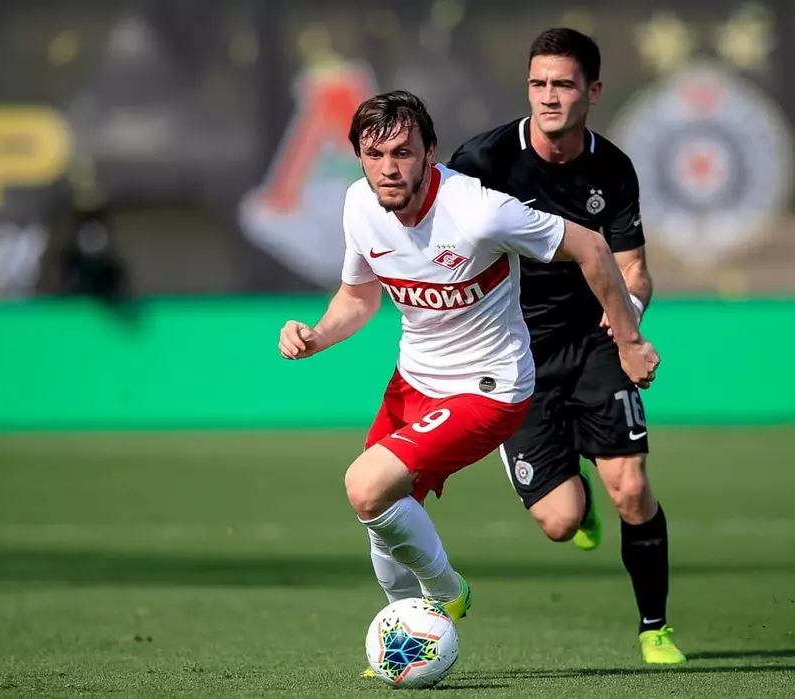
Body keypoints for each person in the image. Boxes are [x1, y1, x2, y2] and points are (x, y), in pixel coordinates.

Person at [277, 90, 659, 661]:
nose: (388, 168)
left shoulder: (480, 212)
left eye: (403, 152)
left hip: (490, 388)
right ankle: (405, 645)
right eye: (374, 154)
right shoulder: (359, 204)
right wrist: (316, 336)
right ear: (359, 157)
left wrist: (628, 341)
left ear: (430, 152)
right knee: (380, 516)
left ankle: (447, 594)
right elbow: (357, 297)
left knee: (365, 484)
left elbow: (593, 248)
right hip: (415, 380)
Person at [447, 28, 686, 664]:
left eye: (563, 84)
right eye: (538, 84)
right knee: (560, 521)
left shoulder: (613, 168)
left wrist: (628, 317)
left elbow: (634, 269)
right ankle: (573, 493)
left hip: (594, 343)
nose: (549, 96)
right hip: (514, 353)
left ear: (593, 91)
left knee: (631, 487)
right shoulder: (484, 162)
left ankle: (655, 628)